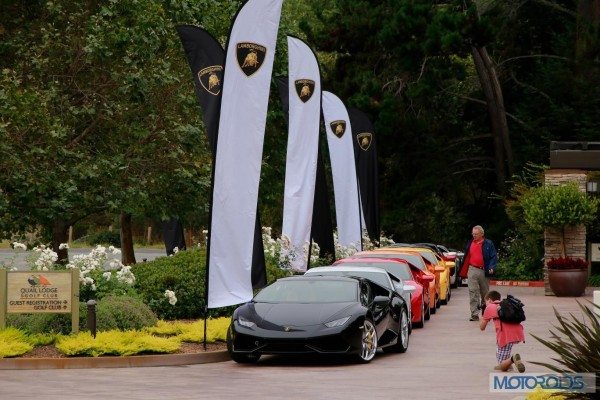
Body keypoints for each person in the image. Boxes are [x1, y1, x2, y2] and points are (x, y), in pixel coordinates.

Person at [458, 225, 498, 321]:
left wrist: (492, 267)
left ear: (482, 234)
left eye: (476, 234)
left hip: (484, 270)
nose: (474, 235)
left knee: (485, 293)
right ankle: (474, 314)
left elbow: (493, 256)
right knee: (473, 291)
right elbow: (466, 257)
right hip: (472, 269)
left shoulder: (488, 243)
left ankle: (486, 313)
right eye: (473, 234)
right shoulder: (470, 243)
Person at [480, 290, 525, 372]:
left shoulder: (490, 307)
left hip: (505, 335)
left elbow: (482, 327)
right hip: (518, 332)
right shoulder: (506, 305)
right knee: (504, 351)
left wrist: (483, 314)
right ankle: (508, 364)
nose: (485, 304)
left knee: (502, 366)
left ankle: (512, 359)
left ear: (489, 300)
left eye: (485, 301)